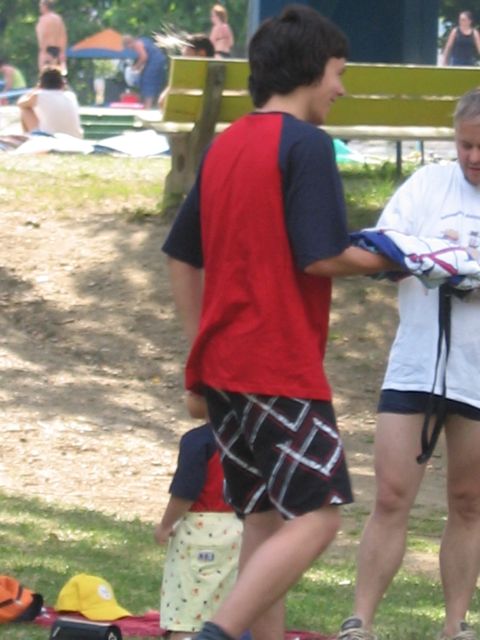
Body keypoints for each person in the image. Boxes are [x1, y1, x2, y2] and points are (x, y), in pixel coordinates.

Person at [162, 6, 399, 640]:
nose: (340, 88)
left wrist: (199, 344)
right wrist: (398, 258)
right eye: (338, 73)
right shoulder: (307, 145)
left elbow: (181, 257)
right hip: (277, 367)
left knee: (263, 524)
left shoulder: (224, 146)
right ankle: (216, 633)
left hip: (224, 371)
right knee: (318, 518)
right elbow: (321, 255)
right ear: (310, 70)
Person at [337, 87, 480, 640]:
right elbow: (381, 252)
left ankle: (455, 625)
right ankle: (361, 620)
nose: (473, 157)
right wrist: (424, 260)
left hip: (475, 372)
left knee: (468, 502)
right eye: (465, 145)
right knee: (392, 495)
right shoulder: (426, 184)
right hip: (417, 364)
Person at [154, 422, 243, 640]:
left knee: (189, 612)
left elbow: (185, 492)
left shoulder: (199, 440)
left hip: (200, 531)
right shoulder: (248, 437)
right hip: (240, 528)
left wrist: (166, 525)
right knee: (225, 603)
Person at [17, 66, 83, 139]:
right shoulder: (71, 95)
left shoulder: (38, 95)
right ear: (62, 82)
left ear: (41, 82)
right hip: (75, 138)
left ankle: (28, 139)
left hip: (50, 139)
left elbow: (20, 103)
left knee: (25, 109)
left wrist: (35, 89)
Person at [158, 33, 214, 110]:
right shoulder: (219, 78)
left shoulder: (186, 78)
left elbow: (162, 103)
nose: (183, 61)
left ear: (201, 54)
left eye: (186, 57)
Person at [122, 35, 167, 108]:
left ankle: (147, 106)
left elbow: (144, 57)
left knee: (147, 81)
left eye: (127, 47)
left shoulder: (137, 44)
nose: (129, 49)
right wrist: (140, 70)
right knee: (157, 83)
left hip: (154, 62)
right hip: (160, 61)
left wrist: (134, 68)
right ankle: (157, 105)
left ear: (129, 44)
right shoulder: (143, 40)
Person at [36, 0, 68, 74]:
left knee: (45, 75)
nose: (40, 8)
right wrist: (62, 52)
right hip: (58, 50)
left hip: (46, 49)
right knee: (58, 75)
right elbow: (63, 35)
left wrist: (43, 51)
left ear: (45, 6)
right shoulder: (58, 19)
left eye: (40, 6)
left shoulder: (43, 19)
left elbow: (42, 35)